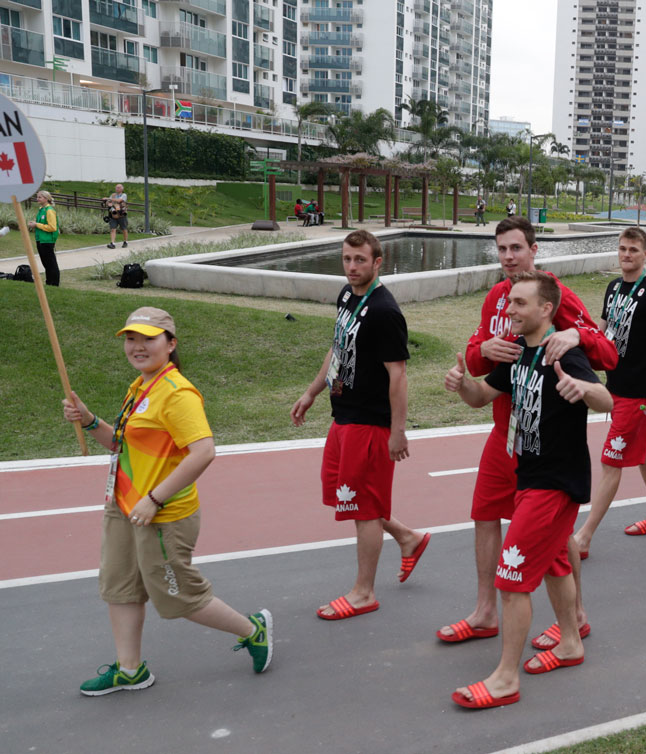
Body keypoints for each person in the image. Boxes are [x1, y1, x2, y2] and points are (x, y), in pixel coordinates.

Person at [62, 307, 273, 696]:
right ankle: (130, 670)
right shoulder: (140, 387)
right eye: (130, 338)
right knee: (119, 586)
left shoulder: (177, 394)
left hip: (162, 513)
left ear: (171, 344)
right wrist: (91, 421)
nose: (137, 346)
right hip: (125, 505)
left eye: (148, 338)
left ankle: (253, 629)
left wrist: (154, 500)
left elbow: (204, 451)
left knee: (178, 597)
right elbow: (121, 445)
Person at [438, 216, 617, 646]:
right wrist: (479, 351)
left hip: (546, 443)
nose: (508, 257)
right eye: (501, 249)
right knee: (483, 514)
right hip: (506, 431)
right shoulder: (499, 296)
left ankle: (574, 616)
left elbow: (606, 353)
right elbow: (479, 367)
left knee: (552, 534)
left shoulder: (552, 294)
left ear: (534, 250)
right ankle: (485, 613)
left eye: (516, 248)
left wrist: (574, 336)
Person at [290, 230, 430, 620]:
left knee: (363, 508)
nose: (352, 268)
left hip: (369, 424)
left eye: (360, 261)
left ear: (377, 262)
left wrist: (397, 431)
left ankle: (364, 592)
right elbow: (338, 347)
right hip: (343, 415)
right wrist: (312, 392)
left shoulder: (385, 311)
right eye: (347, 259)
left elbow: (398, 375)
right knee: (349, 496)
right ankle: (408, 537)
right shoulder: (347, 295)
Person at [573, 227, 646, 554]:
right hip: (615, 386)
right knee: (642, 451)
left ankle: (584, 537)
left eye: (633, 249)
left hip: (639, 393)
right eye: (622, 248)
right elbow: (602, 330)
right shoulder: (614, 287)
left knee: (610, 460)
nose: (626, 254)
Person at [29, 190, 60, 286]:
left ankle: (54, 283)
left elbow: (52, 227)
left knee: (51, 264)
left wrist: (37, 224)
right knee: (46, 264)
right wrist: (33, 224)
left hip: (47, 240)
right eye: (37, 197)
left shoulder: (49, 210)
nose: (37, 199)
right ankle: (49, 282)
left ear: (46, 199)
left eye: (40, 197)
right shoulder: (41, 210)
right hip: (40, 239)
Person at [105, 183, 130, 249]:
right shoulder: (113, 195)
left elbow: (119, 200)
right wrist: (108, 203)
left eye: (119, 187)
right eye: (116, 187)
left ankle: (125, 242)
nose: (117, 189)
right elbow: (108, 202)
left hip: (122, 215)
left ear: (122, 189)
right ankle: (112, 244)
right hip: (113, 215)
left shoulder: (124, 195)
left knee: (124, 229)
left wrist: (110, 200)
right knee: (113, 229)